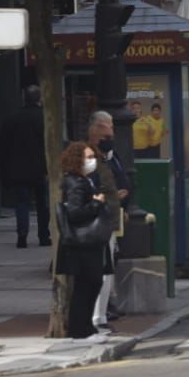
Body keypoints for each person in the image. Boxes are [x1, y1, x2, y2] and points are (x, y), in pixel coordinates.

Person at [56, 141, 108, 341]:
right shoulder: (76, 183)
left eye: (93, 157)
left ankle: (85, 327)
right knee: (87, 284)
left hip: (86, 242)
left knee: (91, 283)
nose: (92, 161)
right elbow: (75, 213)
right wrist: (97, 202)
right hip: (83, 243)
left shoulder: (82, 180)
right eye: (88, 157)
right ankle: (81, 329)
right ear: (77, 160)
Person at [87, 111, 130, 333]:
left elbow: (123, 178)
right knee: (101, 271)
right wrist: (112, 196)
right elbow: (88, 190)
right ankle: (96, 318)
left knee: (108, 270)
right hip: (97, 221)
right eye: (107, 130)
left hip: (110, 218)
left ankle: (101, 315)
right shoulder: (88, 157)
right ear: (96, 130)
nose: (112, 133)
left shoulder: (111, 156)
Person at [0, 85, 51, 249]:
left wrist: (4, 169)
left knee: (22, 203)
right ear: (39, 99)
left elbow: (2, 146)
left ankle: (22, 234)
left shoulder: (12, 119)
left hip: (18, 170)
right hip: (41, 169)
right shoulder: (44, 119)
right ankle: (43, 235)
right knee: (42, 204)